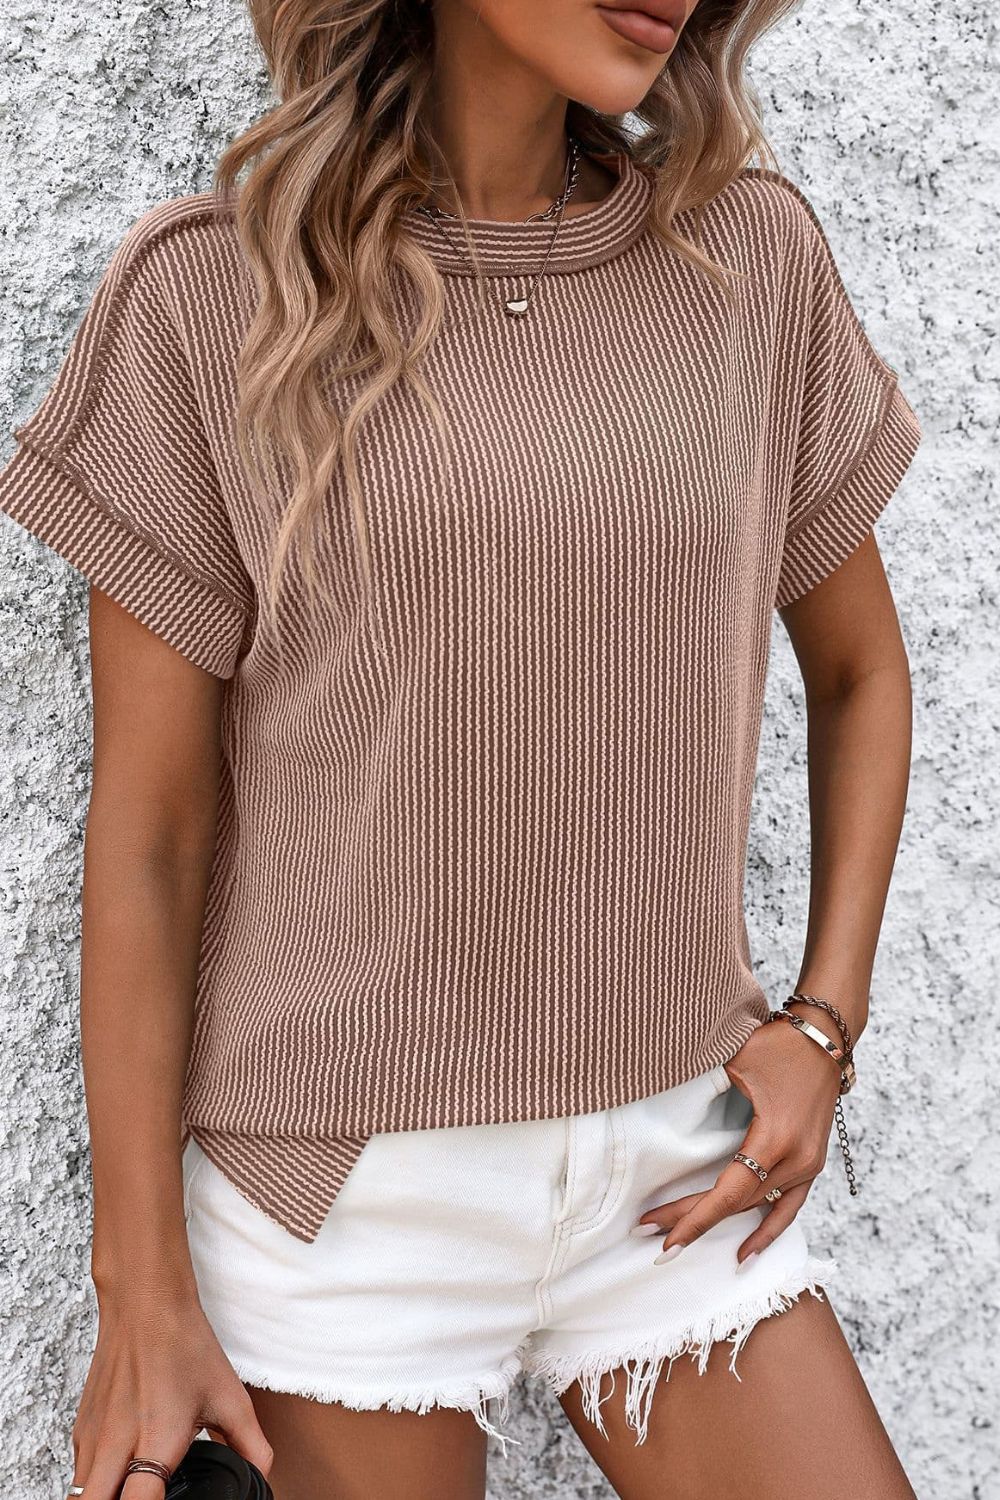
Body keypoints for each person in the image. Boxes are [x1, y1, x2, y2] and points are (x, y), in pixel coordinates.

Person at [0, 0, 925, 1496]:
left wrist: (825, 1025)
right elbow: (153, 834)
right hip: (344, 1211)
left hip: (677, 1166)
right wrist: (140, 1292)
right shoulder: (212, 295)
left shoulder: (747, 260)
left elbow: (864, 672)